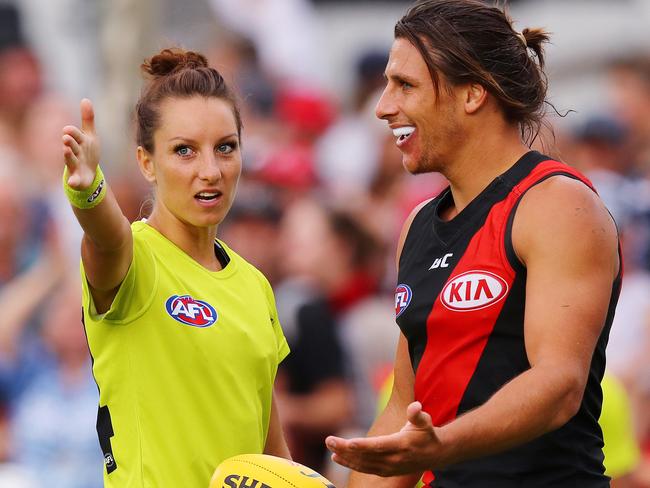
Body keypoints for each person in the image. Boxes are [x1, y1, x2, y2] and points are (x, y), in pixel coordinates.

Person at [325, 1, 621, 487]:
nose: (382, 106)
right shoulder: (418, 223)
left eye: (405, 85)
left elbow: (558, 385)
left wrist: (441, 445)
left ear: (472, 94)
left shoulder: (557, 205)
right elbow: (405, 406)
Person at [61, 48, 290, 487]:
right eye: (184, 151)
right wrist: (89, 190)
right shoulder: (133, 260)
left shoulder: (255, 285)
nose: (211, 170)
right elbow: (106, 235)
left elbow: (271, 454)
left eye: (226, 148)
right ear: (146, 162)